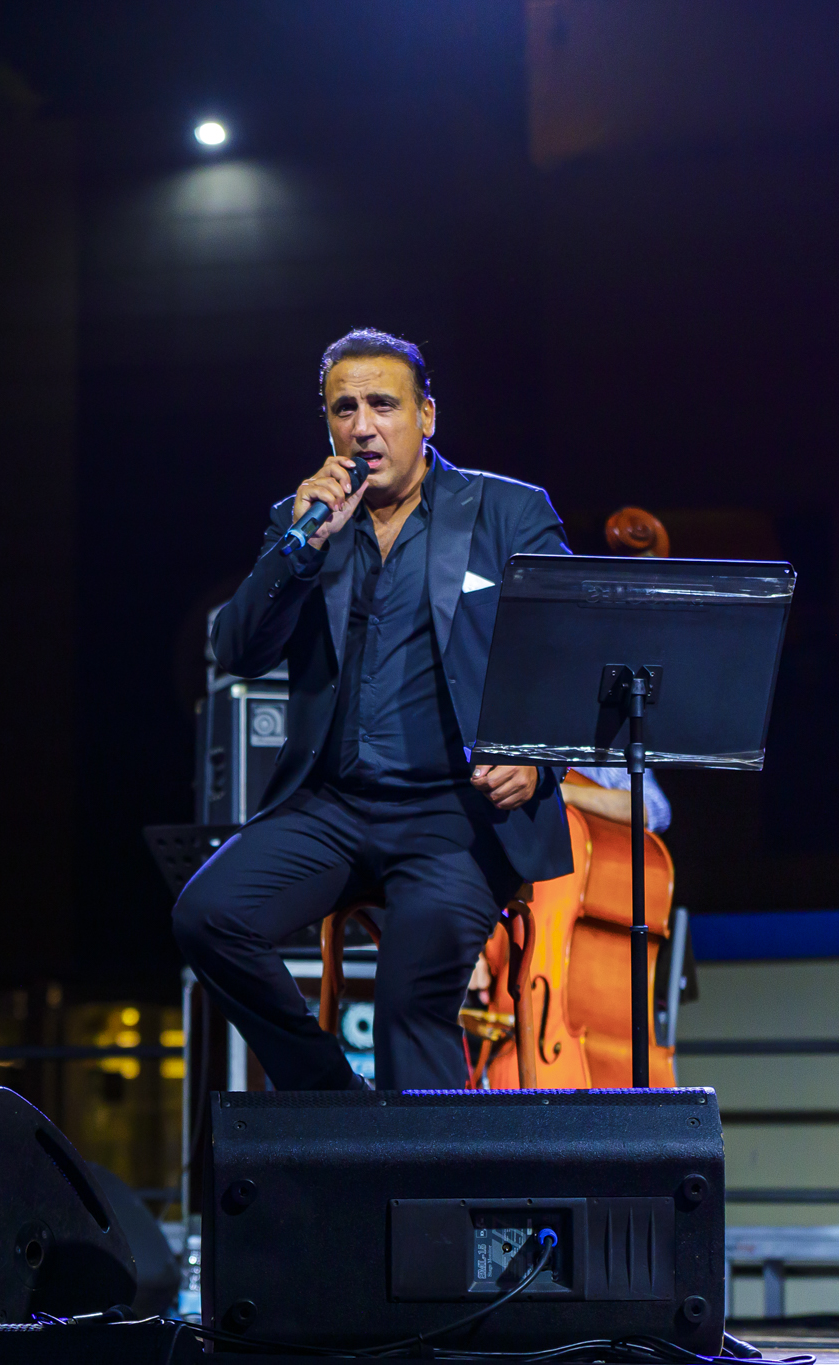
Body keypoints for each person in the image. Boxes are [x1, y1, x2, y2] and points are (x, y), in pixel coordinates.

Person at [172, 328, 575, 1091]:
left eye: (383, 405)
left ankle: (425, 1170)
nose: (363, 426)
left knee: (408, 999)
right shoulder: (303, 523)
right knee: (207, 916)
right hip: (331, 807)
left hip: (455, 813)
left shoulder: (508, 512)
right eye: (344, 408)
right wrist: (300, 549)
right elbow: (236, 650)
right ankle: (334, 1100)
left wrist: (537, 755)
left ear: (427, 416)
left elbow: (573, 651)